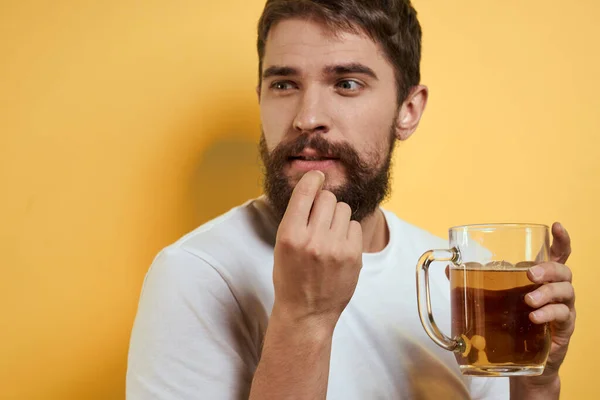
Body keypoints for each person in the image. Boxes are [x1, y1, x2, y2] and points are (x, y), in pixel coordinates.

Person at [126, 1, 576, 399]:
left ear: (408, 110)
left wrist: (535, 388)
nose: (308, 118)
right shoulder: (196, 275)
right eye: (284, 84)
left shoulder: (457, 279)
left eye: (346, 84)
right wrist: (304, 319)